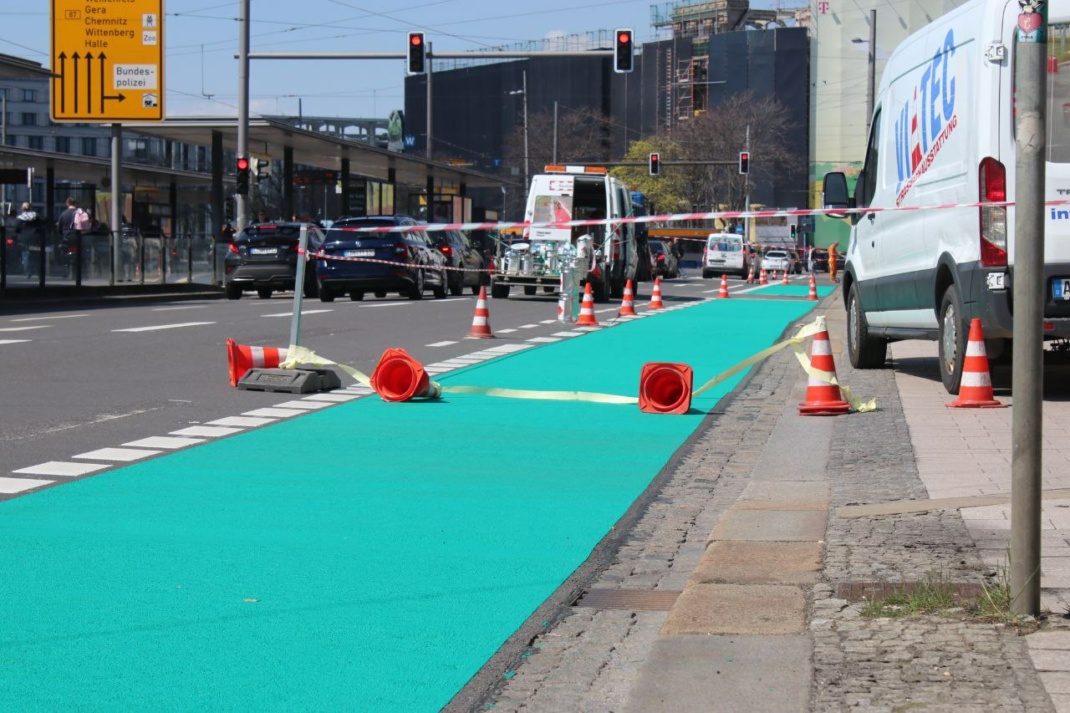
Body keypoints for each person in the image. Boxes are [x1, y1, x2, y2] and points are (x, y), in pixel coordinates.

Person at [16, 202, 46, 278]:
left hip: (25, 239)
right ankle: (40, 274)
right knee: (37, 256)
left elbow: (17, 229)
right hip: (36, 238)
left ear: (22, 209)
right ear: (30, 208)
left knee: (26, 256)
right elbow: (44, 222)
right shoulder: (36, 215)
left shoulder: (20, 218)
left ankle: (27, 273)